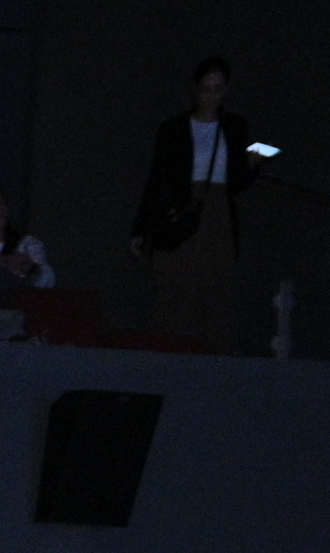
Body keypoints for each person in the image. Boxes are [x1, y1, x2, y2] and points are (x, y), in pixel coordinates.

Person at [125, 56, 257, 347]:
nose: (211, 96)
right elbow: (157, 179)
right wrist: (141, 227)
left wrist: (253, 164)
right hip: (183, 209)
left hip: (217, 212)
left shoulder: (234, 126)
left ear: (226, 90)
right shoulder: (173, 128)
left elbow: (238, 181)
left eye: (217, 89)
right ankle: (173, 353)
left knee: (216, 289)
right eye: (206, 89)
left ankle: (212, 359)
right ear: (195, 89)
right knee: (175, 288)